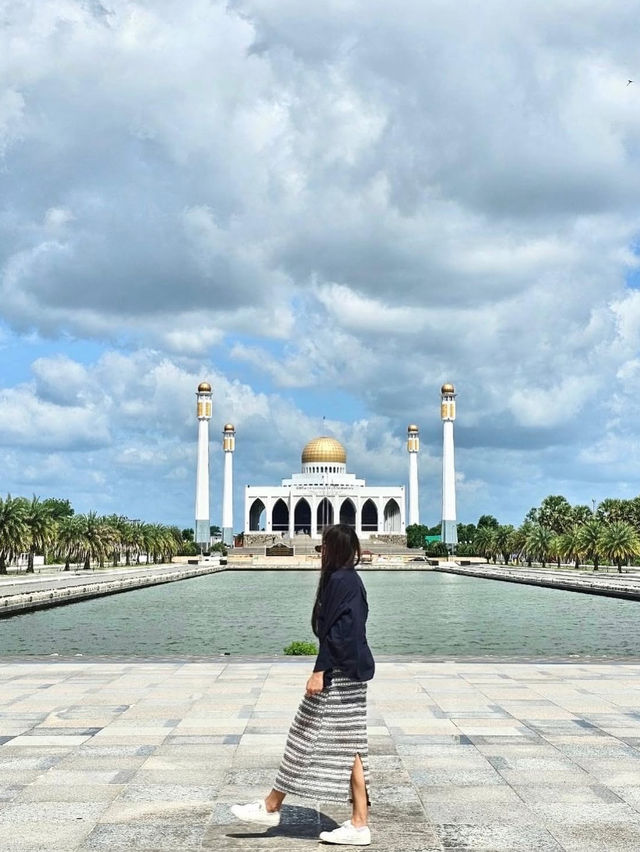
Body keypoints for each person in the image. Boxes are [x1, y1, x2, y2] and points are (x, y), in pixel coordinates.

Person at [231, 523, 375, 846]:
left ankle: (272, 805)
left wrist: (321, 670)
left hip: (339, 676)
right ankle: (359, 822)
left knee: (304, 736)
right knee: (348, 745)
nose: (320, 552)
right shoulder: (349, 579)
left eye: (324, 546)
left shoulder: (341, 580)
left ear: (333, 549)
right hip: (350, 673)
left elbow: (337, 632)